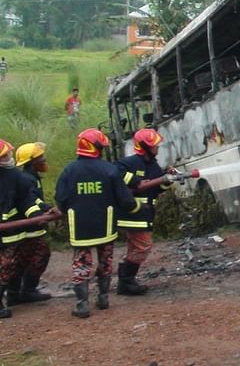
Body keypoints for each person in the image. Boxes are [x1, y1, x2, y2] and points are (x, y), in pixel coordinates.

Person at [55, 128, 140, 318]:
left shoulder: (69, 171)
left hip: (80, 228)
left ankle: (82, 304)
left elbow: (60, 199)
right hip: (105, 227)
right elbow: (125, 200)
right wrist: (136, 209)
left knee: (81, 264)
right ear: (95, 148)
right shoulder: (109, 169)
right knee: (105, 261)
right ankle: (103, 298)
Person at [0, 139, 57, 319]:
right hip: (8, 232)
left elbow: (29, 199)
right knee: (6, 266)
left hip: (22, 229)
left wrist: (43, 212)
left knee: (35, 255)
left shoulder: (17, 176)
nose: (9, 156)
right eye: (5, 154)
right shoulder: (16, 177)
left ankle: (22, 292)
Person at [115, 128, 174, 296]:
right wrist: (136, 182)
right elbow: (115, 173)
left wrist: (167, 180)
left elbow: (157, 189)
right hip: (132, 214)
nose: (158, 147)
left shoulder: (154, 166)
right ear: (145, 146)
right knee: (143, 246)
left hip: (145, 213)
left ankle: (126, 281)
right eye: (155, 145)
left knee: (137, 246)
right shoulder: (129, 163)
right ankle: (126, 280)